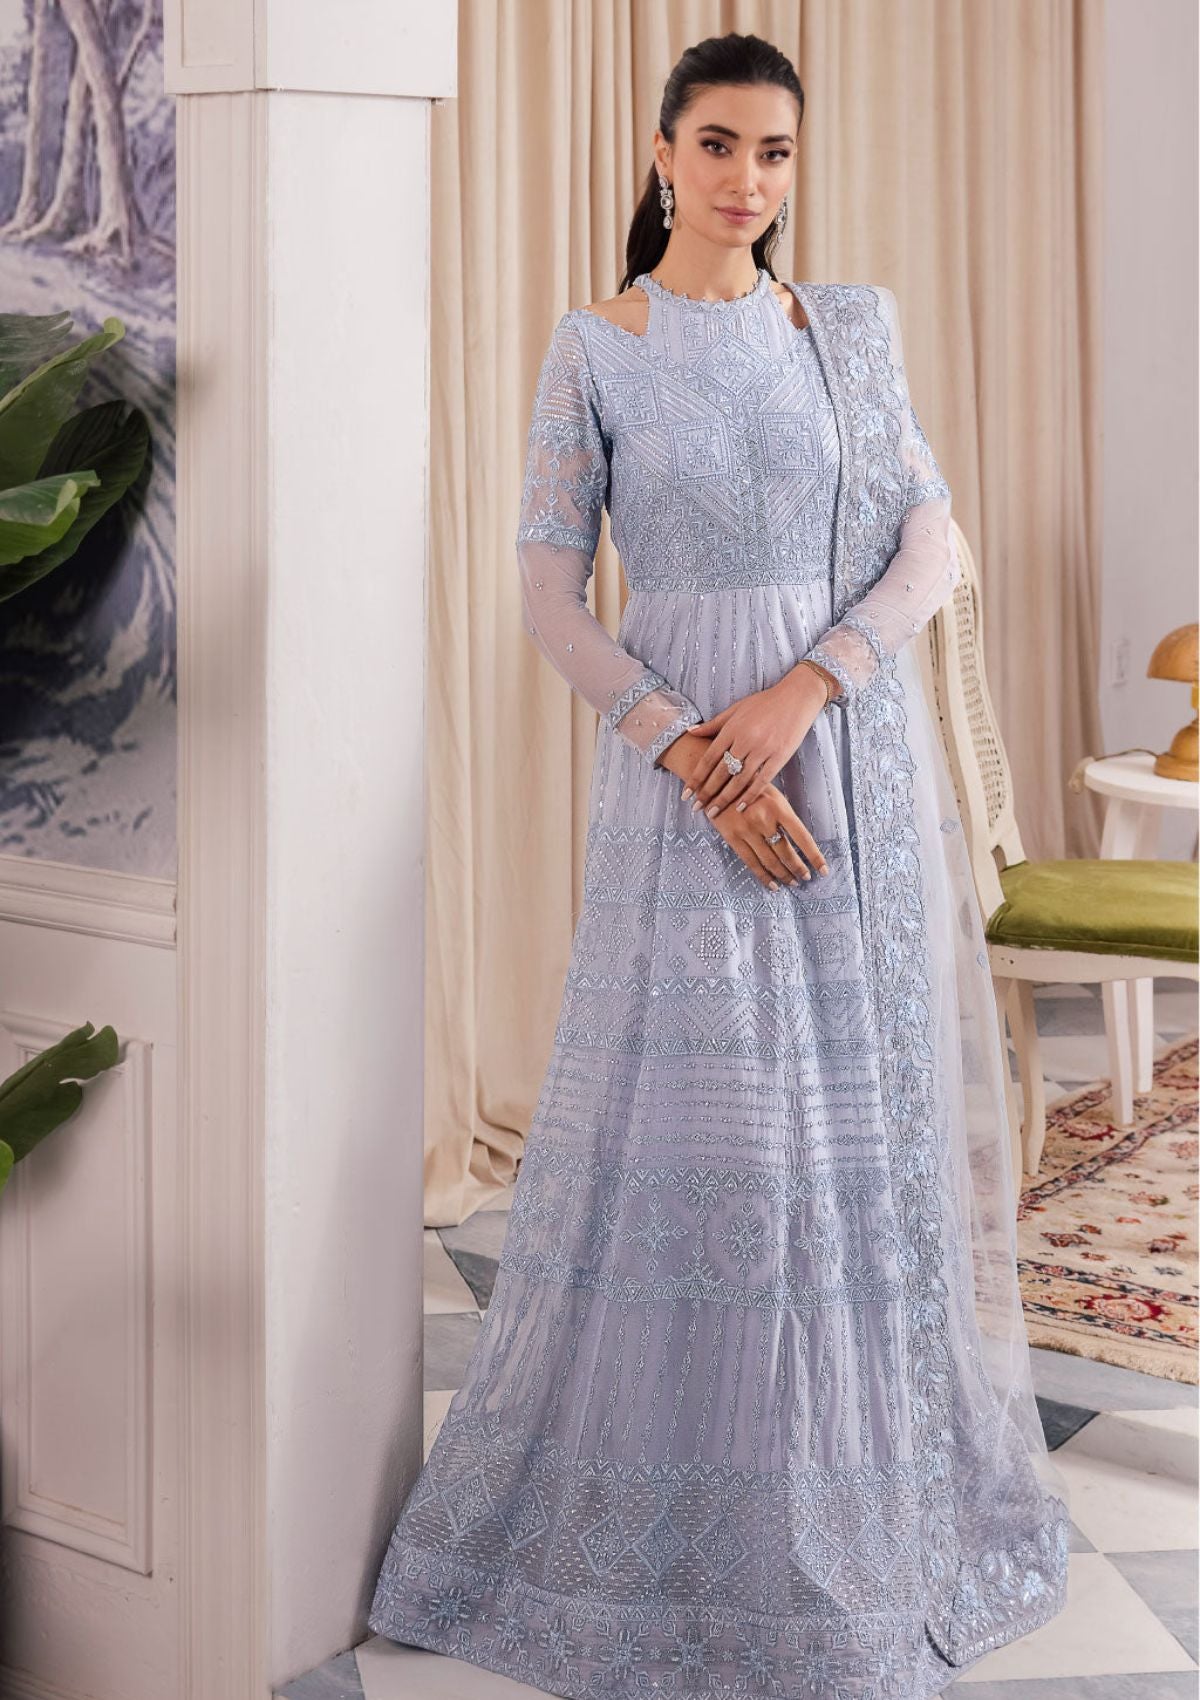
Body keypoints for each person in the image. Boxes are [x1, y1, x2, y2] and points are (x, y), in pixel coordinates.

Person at [369, 29, 1070, 1700]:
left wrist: (804, 690)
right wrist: (691, 749)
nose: (748, 179)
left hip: (845, 771)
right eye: (719, 144)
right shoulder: (593, 350)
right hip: (680, 792)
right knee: (718, 1143)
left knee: (847, 1138)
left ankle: (855, 1492)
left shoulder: (851, 333)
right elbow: (548, 599)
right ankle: (697, 1517)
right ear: (662, 152)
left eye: (775, 151)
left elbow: (931, 540)